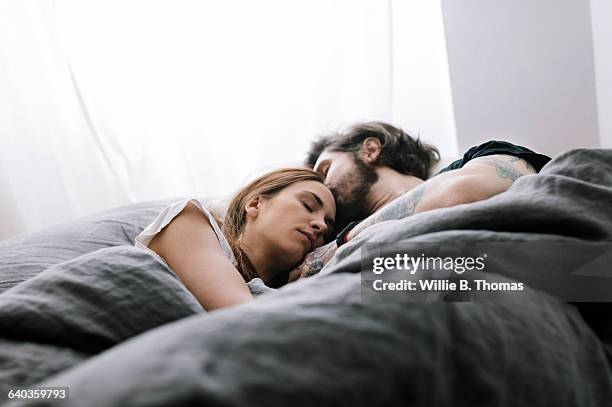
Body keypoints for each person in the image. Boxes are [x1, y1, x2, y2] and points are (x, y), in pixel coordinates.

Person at [288, 121, 551, 281]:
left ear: (370, 150)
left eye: (324, 170)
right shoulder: (335, 243)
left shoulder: (478, 157)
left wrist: (343, 242)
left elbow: (463, 194)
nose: (323, 190)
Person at [135, 168, 336, 311]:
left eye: (328, 228)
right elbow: (245, 319)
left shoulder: (280, 292)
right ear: (255, 203)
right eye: (308, 205)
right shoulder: (188, 220)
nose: (322, 226)